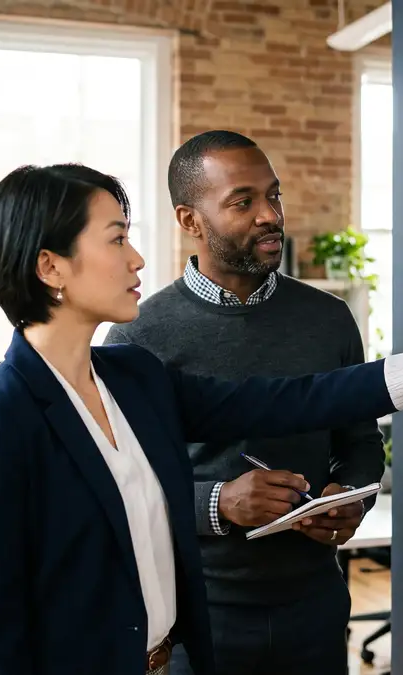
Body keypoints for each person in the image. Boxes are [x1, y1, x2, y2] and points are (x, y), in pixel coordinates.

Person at [0, 161, 403, 675]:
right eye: (117, 238)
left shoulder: (133, 379)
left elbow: (301, 398)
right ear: (51, 266)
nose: (137, 258)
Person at [103, 130, 386, 675]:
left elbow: (360, 441)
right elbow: (124, 484)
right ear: (190, 221)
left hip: (316, 604)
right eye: (243, 201)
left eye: (273, 196)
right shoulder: (140, 337)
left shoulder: (328, 319)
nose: (269, 215)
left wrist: (349, 496)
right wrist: (219, 500)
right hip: (198, 614)